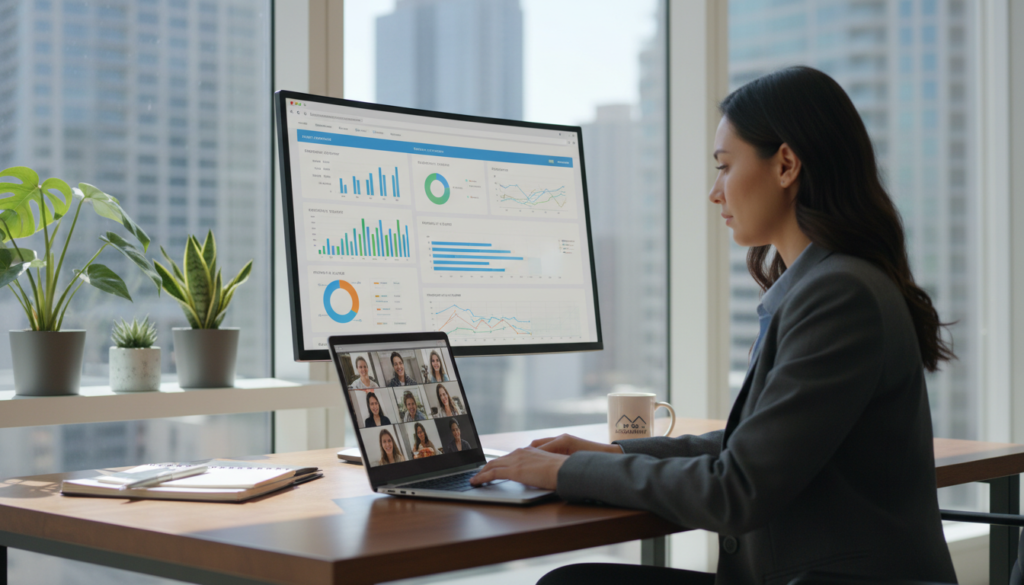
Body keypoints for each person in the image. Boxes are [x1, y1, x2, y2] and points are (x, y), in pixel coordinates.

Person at [471, 67, 958, 585]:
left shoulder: (841, 294)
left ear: (786, 164)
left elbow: (737, 488)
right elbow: (750, 445)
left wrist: (566, 472)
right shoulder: (832, 283)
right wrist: (609, 453)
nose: (714, 192)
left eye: (725, 167)